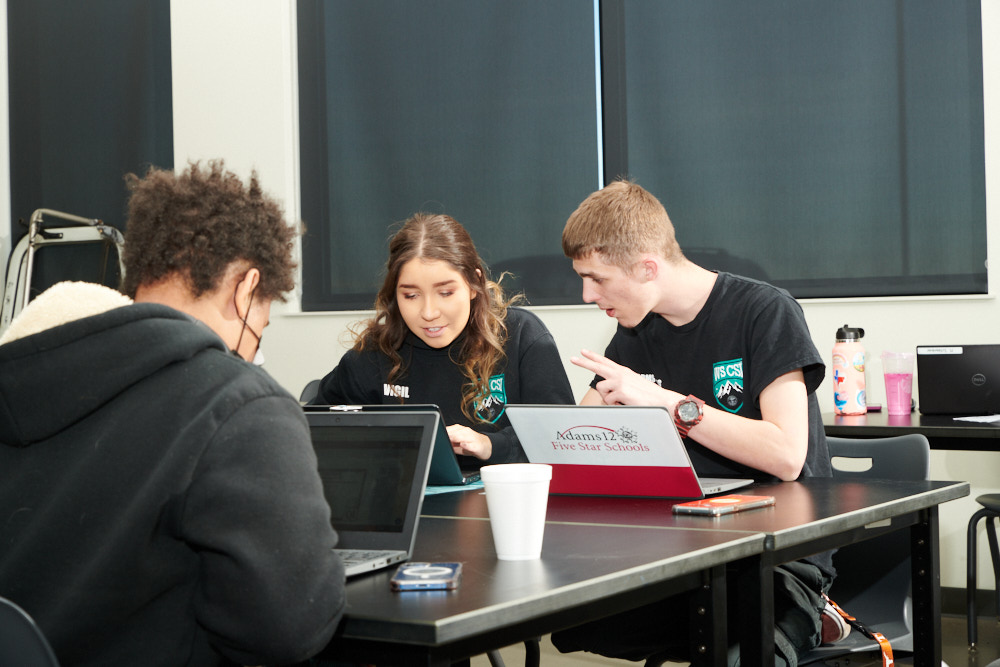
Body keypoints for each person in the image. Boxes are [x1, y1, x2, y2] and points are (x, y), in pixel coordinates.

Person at [0, 160, 345, 667]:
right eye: (259, 332)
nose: (251, 354)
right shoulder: (238, 404)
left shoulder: (24, 374)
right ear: (246, 289)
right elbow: (290, 628)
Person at [549, 180, 840, 666]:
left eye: (596, 278)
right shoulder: (634, 329)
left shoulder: (764, 311)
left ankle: (815, 611)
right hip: (682, 548)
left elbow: (787, 456)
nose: (585, 294)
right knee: (577, 621)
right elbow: (576, 439)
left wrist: (667, 404)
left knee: (748, 643)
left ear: (647, 267)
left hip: (776, 556)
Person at [311, 212, 574, 466]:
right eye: (411, 296)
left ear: (474, 284)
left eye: (446, 292)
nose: (428, 313)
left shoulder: (522, 337)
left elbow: (561, 440)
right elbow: (313, 431)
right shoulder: (372, 355)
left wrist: (489, 445)